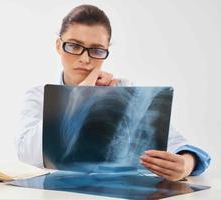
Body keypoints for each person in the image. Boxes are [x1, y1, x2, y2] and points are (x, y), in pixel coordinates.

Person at [16, 4, 210, 181]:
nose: (85, 59)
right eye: (74, 46)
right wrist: (79, 96)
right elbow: (27, 154)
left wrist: (186, 164)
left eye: (97, 50)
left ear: (106, 51)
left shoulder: (124, 92)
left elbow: (179, 145)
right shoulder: (38, 96)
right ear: (59, 46)